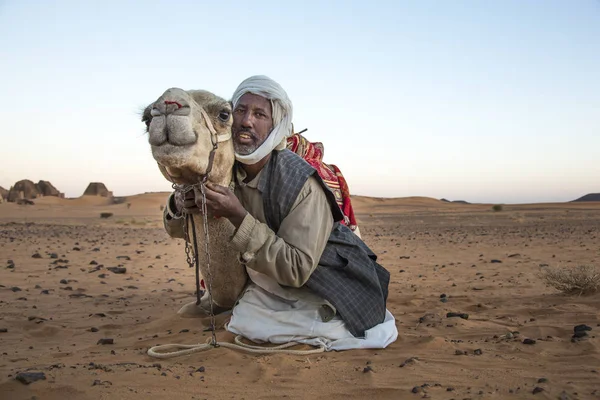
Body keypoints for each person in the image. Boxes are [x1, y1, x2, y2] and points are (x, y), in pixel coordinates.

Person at [163, 76, 397, 350]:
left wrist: (238, 215)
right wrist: (179, 206)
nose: (246, 121)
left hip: (320, 275)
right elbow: (179, 228)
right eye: (240, 111)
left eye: (259, 114)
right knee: (247, 315)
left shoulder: (302, 183)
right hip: (268, 276)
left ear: (276, 127)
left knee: (254, 320)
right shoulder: (227, 169)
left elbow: (297, 268)